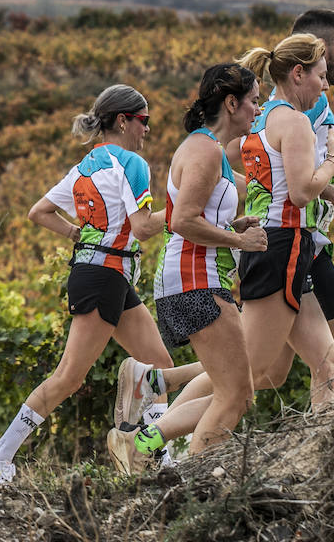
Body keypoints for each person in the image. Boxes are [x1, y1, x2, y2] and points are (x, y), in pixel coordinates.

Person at [0, 85, 202, 484]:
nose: (148, 130)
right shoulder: (132, 163)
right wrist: (188, 208)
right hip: (104, 277)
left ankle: (160, 458)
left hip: (105, 274)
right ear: (122, 121)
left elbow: (39, 212)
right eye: (144, 121)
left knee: (158, 366)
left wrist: (79, 234)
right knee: (69, 377)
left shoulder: (86, 165)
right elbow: (145, 228)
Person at [114, 64, 268, 463]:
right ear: (231, 103)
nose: (258, 107)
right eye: (253, 100)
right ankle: (189, 484)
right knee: (235, 394)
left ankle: (141, 444)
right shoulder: (205, 151)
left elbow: (196, 215)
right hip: (195, 281)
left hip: (190, 279)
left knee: (237, 392)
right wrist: (240, 240)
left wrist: (233, 224)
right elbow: (182, 219)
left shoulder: (205, 148)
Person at [230, 34, 334, 409]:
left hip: (278, 245)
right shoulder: (294, 121)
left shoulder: (261, 116)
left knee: (331, 363)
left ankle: (326, 456)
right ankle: (148, 435)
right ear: (298, 73)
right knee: (246, 375)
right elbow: (300, 192)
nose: (326, 85)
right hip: (283, 246)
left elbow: (243, 164)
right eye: (322, 75)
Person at [289, 10, 334, 393]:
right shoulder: (303, 106)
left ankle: (156, 381)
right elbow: (284, 176)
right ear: (320, 47)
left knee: (266, 369)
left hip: (307, 243)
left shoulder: (305, 101)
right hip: (295, 244)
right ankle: (333, 445)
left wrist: (330, 189)